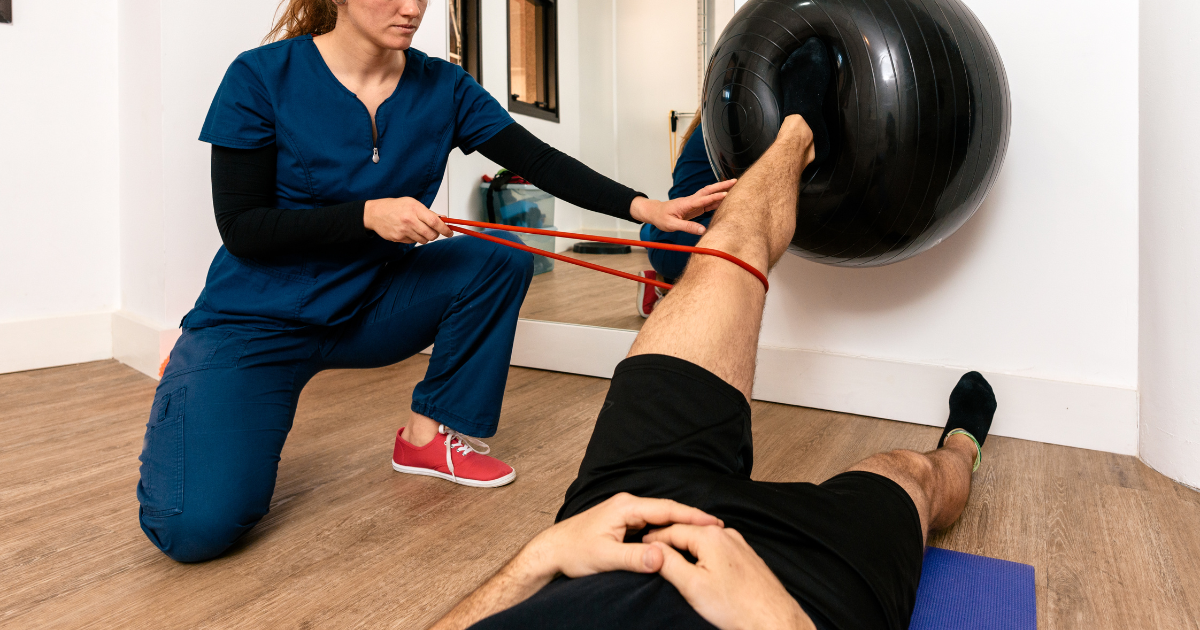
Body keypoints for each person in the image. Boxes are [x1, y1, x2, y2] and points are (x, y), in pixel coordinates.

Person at [136, 0, 736, 563]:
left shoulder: (444, 86)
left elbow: (538, 160)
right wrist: (367, 216)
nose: (414, 8)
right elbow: (242, 228)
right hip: (255, 321)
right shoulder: (260, 76)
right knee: (193, 529)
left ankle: (427, 437)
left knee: (499, 258)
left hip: (366, 308)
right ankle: (199, 376)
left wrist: (643, 207)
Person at [428, 39, 998, 630]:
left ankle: (800, 131)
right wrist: (773, 617)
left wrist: (538, 558)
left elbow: (540, 159)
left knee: (730, 244)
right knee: (910, 475)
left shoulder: (441, 86)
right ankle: (964, 442)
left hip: (621, 527)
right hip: (793, 596)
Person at [637, 113, 720, 317]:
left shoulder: (702, 127)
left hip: (665, 238)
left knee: (648, 231)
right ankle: (666, 282)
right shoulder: (720, 127)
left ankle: (661, 279)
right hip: (678, 250)